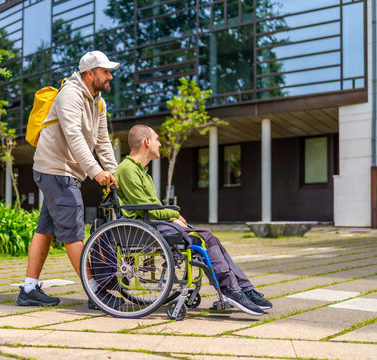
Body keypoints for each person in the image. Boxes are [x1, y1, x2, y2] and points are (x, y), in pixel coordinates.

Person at [113, 124, 273, 316]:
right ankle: (231, 289)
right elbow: (146, 208)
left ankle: (243, 288)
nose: (160, 143)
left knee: (209, 239)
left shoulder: (142, 172)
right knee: (203, 239)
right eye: (157, 139)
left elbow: (151, 207)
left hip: (153, 223)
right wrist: (173, 216)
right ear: (147, 142)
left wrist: (172, 217)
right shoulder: (128, 169)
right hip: (144, 228)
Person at [17, 51, 120, 307]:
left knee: (45, 229)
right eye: (106, 71)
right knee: (74, 230)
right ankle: (96, 292)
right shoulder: (70, 95)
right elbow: (74, 136)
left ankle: (29, 289)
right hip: (54, 170)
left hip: (67, 172)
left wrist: (116, 173)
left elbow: (102, 142)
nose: (110, 76)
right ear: (90, 73)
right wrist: (96, 172)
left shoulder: (99, 103)